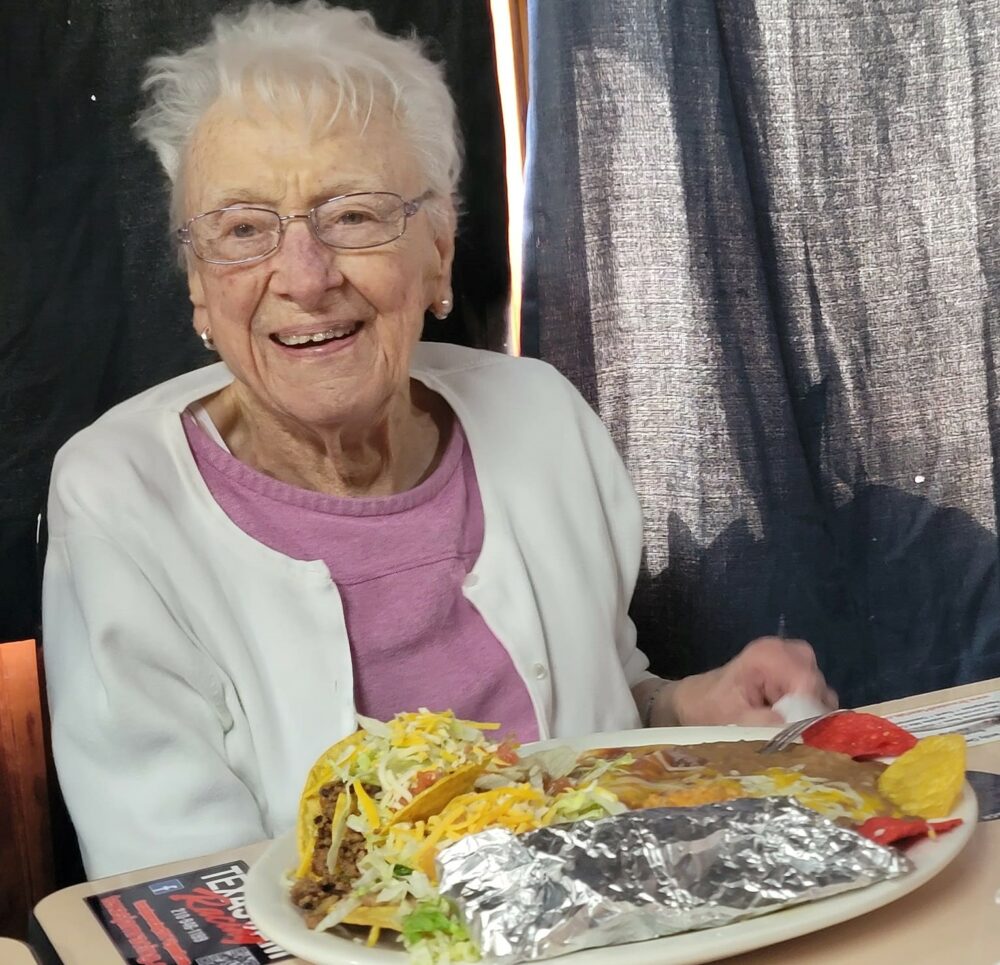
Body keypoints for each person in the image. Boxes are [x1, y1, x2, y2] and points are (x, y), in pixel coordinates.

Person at [42, 0, 836, 880]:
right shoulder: (119, 498)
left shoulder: (542, 418)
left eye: (353, 215)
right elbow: (180, 884)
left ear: (440, 250)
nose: (305, 276)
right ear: (198, 286)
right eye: (243, 230)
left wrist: (692, 705)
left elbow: (602, 707)